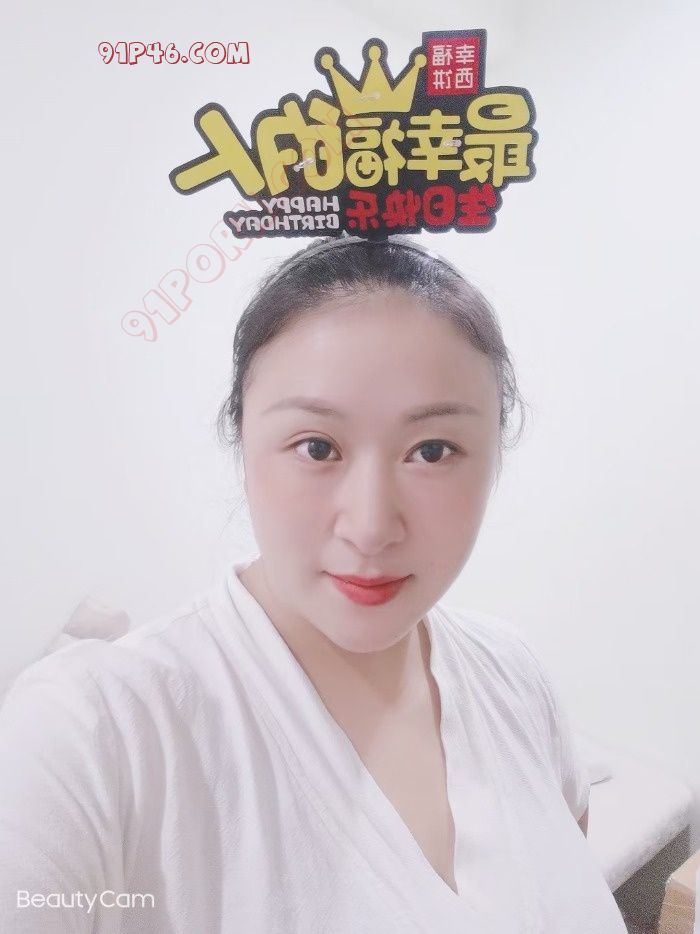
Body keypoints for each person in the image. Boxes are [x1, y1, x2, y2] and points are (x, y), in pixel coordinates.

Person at [0, 234, 627, 933]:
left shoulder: (514, 675)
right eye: (317, 447)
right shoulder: (89, 732)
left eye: (432, 450)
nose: (370, 527)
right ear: (242, 442)